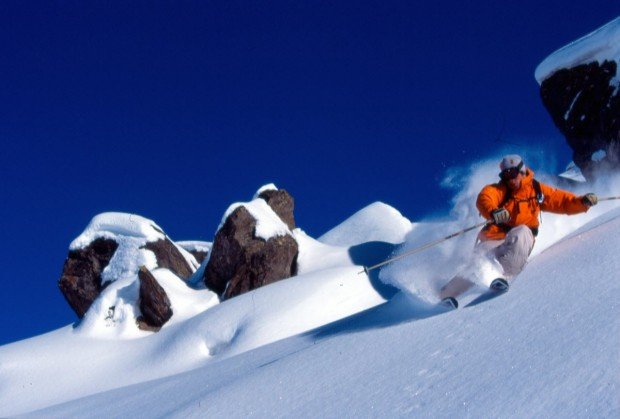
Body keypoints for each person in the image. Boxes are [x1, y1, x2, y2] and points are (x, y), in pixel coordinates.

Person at [440, 154, 598, 308]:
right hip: (493, 238)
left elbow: (561, 201)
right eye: (505, 175)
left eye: (513, 173)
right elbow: (485, 198)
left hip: (518, 240)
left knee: (522, 233)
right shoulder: (500, 190)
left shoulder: (536, 190)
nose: (510, 178)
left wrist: (582, 202)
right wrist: (493, 211)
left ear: (522, 171)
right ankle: (445, 295)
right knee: (479, 260)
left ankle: (502, 277)